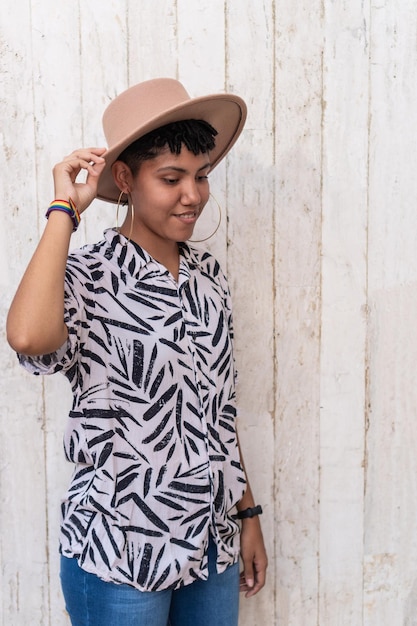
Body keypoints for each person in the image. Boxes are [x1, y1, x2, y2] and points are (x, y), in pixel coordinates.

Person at [7, 78, 267, 626]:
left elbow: (219, 409)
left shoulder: (208, 279)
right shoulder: (91, 276)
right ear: (125, 177)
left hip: (210, 547)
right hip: (119, 548)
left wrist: (248, 514)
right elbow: (28, 337)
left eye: (201, 176)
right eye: (171, 178)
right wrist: (64, 208)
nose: (192, 195)